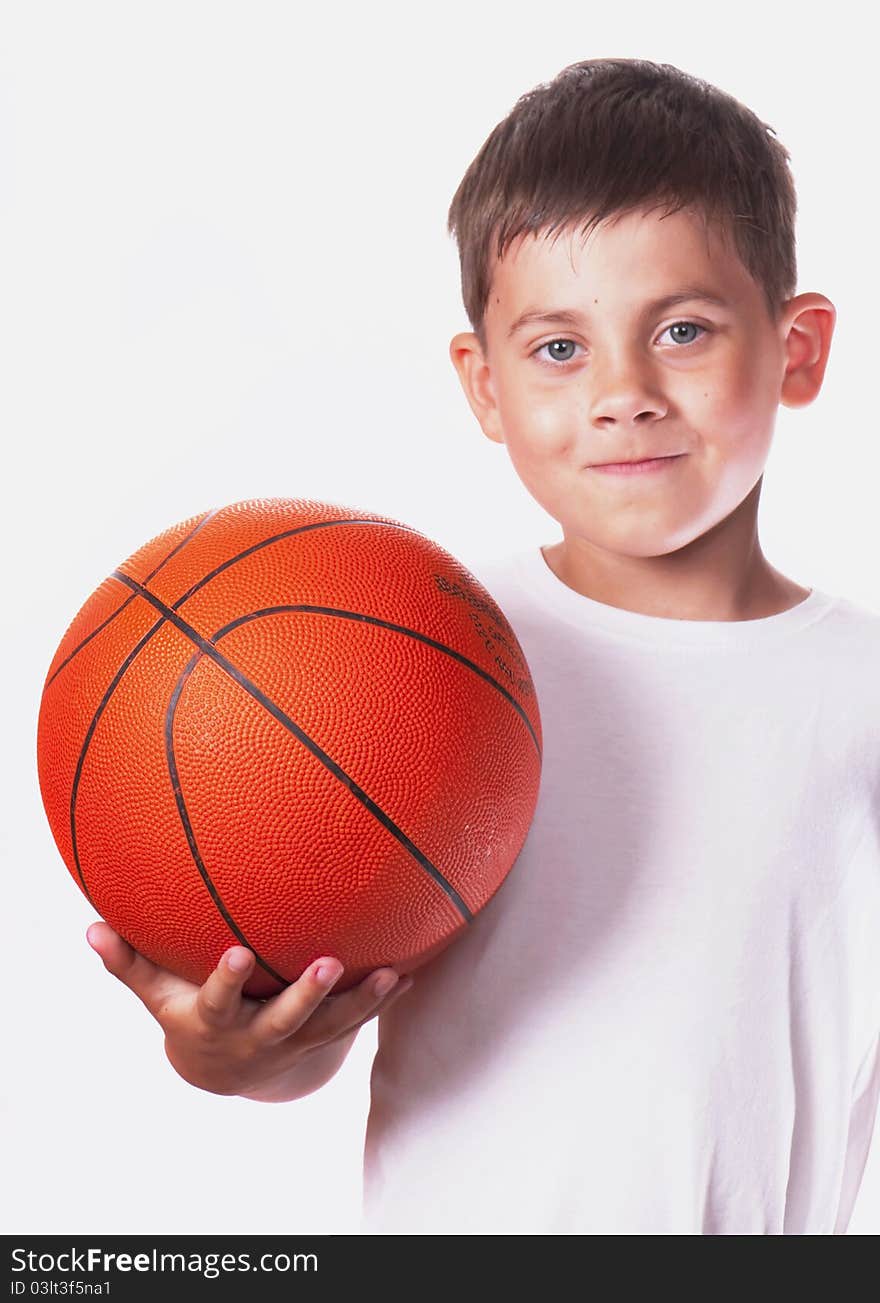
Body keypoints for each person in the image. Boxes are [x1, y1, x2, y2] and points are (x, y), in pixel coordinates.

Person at [86, 58, 880, 1234]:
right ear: (485, 386)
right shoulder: (410, 663)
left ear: (797, 347)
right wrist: (234, 1050)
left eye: (682, 329)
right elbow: (322, 1029)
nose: (623, 393)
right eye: (558, 348)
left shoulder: (860, 693)